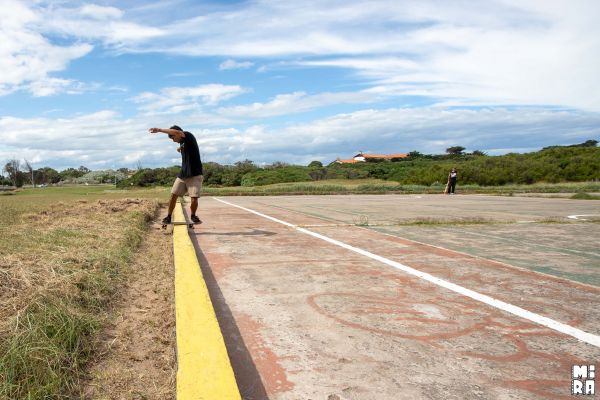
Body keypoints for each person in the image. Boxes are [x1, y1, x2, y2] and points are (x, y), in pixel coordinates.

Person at [149, 125, 203, 224]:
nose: (173, 140)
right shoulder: (183, 143)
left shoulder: (187, 135)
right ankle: (169, 217)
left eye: (173, 137)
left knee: (194, 197)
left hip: (195, 174)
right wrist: (179, 149)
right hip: (183, 175)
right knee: (173, 195)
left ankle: (193, 216)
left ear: (177, 133)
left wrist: (159, 130)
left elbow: (177, 132)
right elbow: (184, 147)